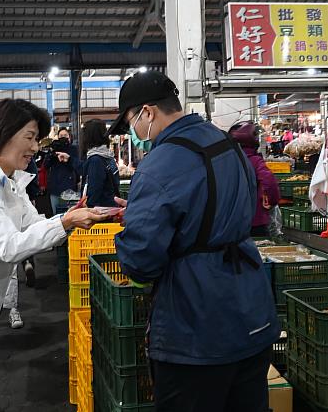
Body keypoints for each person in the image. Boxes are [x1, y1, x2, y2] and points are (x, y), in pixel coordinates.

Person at [107, 71, 279, 412]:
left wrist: (142, 219)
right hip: (251, 309)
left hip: (196, 327)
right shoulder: (228, 145)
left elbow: (141, 261)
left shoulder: (159, 164)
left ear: (148, 112)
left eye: (130, 122)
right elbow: (224, 209)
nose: (133, 132)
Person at [0, 99, 108, 412]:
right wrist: (65, 222)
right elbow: (9, 246)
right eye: (29, 137)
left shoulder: (8, 181)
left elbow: (35, 226)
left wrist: (71, 219)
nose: (34, 147)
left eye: (37, 139)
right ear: (4, 134)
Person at [229, 121, 281, 237]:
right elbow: (269, 181)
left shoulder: (227, 161)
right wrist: (272, 200)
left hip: (231, 222)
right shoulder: (255, 161)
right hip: (255, 220)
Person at [81, 119, 120, 208]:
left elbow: (94, 191)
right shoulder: (107, 156)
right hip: (110, 207)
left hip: (100, 213)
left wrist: (88, 210)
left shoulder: (95, 160)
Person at [44, 127, 82, 214]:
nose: (63, 137)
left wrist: (68, 158)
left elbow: (77, 166)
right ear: (58, 137)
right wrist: (51, 152)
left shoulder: (73, 149)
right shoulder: (54, 148)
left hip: (69, 188)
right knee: (56, 215)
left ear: (69, 137)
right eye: (61, 135)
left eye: (65, 135)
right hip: (55, 187)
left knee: (70, 215)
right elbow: (46, 165)